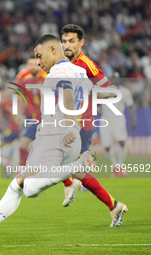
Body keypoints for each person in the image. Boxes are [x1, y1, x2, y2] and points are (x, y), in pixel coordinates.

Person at [0, 34, 96, 242]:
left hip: (58, 136)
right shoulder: (78, 70)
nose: (39, 62)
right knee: (17, 184)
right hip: (61, 136)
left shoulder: (58, 71)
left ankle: (77, 166)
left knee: (29, 189)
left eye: (39, 56)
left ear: (53, 50)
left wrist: (67, 126)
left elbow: (67, 98)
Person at [60, 24, 128, 226]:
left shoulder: (86, 64)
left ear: (81, 42)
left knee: (55, 159)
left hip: (81, 122)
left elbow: (112, 91)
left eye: (72, 41)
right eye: (64, 41)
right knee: (68, 166)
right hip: (70, 121)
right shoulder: (65, 63)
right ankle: (114, 205)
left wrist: (88, 92)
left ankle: (71, 184)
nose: (67, 45)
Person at [100, 73, 137, 178]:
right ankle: (115, 165)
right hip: (105, 121)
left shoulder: (124, 92)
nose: (114, 80)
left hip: (119, 120)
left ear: (119, 79)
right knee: (107, 147)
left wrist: (134, 120)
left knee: (121, 142)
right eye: (112, 78)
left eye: (116, 78)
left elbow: (131, 105)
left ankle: (120, 164)